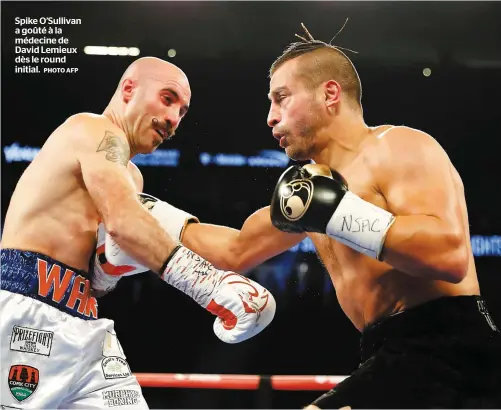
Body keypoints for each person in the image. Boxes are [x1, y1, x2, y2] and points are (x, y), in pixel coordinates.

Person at [153, 30, 501, 408]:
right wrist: (149, 213)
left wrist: (340, 213)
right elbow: (236, 250)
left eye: (281, 98)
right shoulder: (308, 193)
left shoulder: (398, 147)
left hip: (451, 349)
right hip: (389, 356)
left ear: (329, 94)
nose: (271, 117)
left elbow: (448, 256)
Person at [0, 56, 275, 409]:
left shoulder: (132, 177)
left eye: (183, 111)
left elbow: (99, 274)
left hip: (84, 322)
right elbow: (124, 222)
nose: (174, 119)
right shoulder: (92, 129)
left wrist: (108, 268)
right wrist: (210, 283)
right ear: (129, 89)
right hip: (26, 312)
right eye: (167, 98)